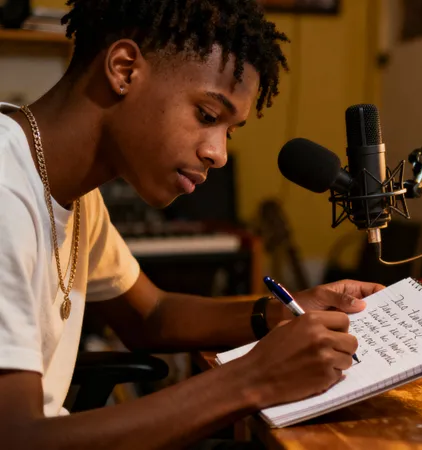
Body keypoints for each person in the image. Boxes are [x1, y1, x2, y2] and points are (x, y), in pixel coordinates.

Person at [0, 0, 383, 448]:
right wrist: (255, 377)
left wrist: (286, 308)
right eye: (206, 115)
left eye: (229, 131)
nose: (217, 153)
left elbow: (152, 315)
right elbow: (17, 437)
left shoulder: (72, 191)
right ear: (124, 70)